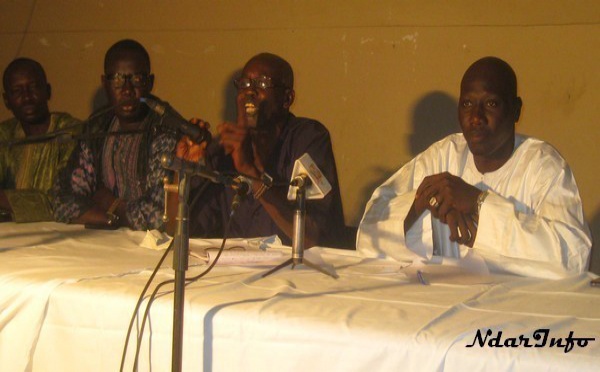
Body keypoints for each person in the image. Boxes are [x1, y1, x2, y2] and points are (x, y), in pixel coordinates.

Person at [357, 56, 592, 278]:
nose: (476, 117)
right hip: (443, 300)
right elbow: (367, 236)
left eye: (491, 103)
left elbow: (574, 257)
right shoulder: (441, 156)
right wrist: (418, 205)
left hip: (518, 309)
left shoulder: (543, 166)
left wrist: (479, 203)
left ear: (516, 109)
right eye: (467, 104)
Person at [179, 52, 346, 248]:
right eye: (244, 84)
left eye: (262, 83)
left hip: (296, 272)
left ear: (287, 99)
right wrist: (184, 171)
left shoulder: (307, 139)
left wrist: (251, 173)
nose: (249, 91)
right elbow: (183, 232)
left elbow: (314, 238)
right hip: (234, 269)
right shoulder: (223, 147)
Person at [52, 39, 178, 231]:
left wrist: (110, 204)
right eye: (118, 79)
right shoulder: (97, 126)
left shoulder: (165, 128)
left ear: (150, 83)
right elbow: (62, 201)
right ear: (105, 83)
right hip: (103, 241)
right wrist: (110, 220)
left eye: (136, 79)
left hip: (152, 249)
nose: (127, 90)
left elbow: (157, 215)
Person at [0, 58, 81, 222]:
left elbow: (64, 200)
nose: (27, 97)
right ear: (6, 100)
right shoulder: (4, 134)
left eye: (34, 87)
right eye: (17, 91)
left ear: (48, 91)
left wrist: (4, 200)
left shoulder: (70, 132)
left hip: (63, 235)